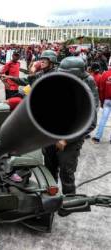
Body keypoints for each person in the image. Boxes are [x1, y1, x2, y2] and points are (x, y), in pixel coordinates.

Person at [43, 56, 99, 194]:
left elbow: (90, 123)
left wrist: (66, 140)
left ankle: (69, 200)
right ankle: (51, 197)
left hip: (71, 138)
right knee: (49, 169)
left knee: (66, 171)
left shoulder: (88, 85)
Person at [92, 65, 111, 144]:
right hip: (107, 100)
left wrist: (102, 101)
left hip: (107, 100)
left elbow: (101, 89)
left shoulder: (105, 74)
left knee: (103, 119)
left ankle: (97, 138)